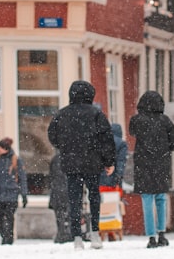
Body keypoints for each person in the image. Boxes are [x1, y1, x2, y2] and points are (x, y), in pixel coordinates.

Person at [47, 80, 116, 250]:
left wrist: (65, 146)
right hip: (92, 161)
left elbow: (52, 135)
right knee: (94, 197)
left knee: (74, 199)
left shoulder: (62, 114)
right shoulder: (96, 114)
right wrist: (108, 161)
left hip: (71, 162)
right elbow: (106, 139)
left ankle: (77, 235)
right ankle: (95, 233)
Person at [128, 90, 174, 248]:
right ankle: (162, 233)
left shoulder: (137, 120)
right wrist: (165, 148)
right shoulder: (165, 121)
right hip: (161, 164)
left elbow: (132, 132)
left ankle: (151, 237)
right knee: (160, 199)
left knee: (147, 200)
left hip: (143, 164)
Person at [0, 137, 28, 245]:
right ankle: (4, 235)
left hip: (11, 194)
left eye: (0, 147)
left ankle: (8, 238)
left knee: (9, 217)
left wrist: (24, 194)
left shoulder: (16, 160)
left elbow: (22, 177)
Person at [47, 151, 71, 243]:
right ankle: (67, 232)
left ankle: (61, 233)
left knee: (59, 214)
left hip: (58, 190)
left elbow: (51, 176)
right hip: (67, 190)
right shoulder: (71, 157)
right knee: (69, 213)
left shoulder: (56, 159)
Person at [100, 123, 128, 188]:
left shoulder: (102, 141)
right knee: (114, 197)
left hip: (101, 177)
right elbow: (121, 161)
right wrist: (119, 176)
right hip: (114, 178)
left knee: (102, 196)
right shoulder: (122, 144)